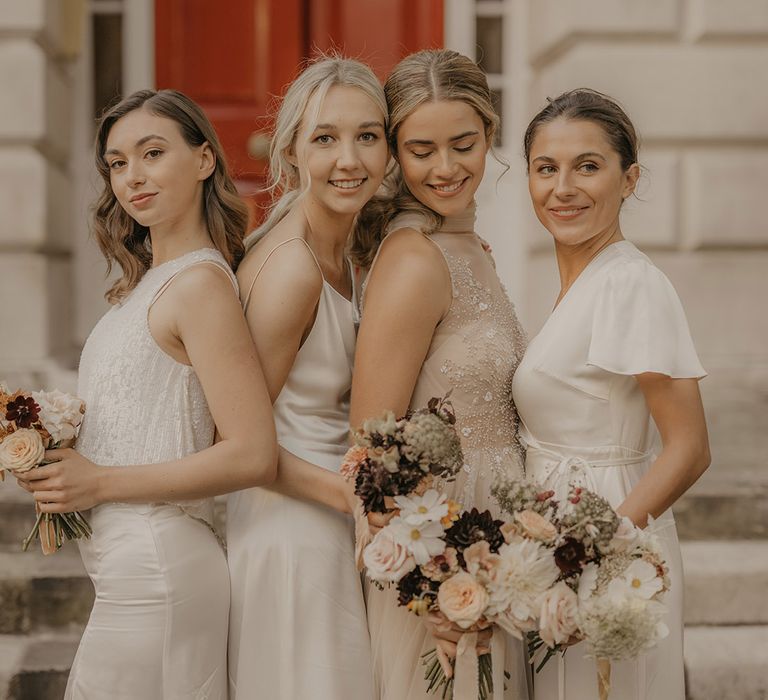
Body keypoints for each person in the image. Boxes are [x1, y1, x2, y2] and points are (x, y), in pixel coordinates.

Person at [17, 89, 277, 700]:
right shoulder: (139, 289)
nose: (133, 176)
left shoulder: (201, 287)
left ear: (205, 159)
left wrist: (99, 482)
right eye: (117, 163)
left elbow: (252, 453)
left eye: (153, 153)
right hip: (126, 565)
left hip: (160, 567)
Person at [512, 88, 710, 699]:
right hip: (554, 538)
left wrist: (589, 552)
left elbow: (689, 448)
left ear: (629, 180)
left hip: (607, 535)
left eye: (588, 167)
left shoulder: (630, 285)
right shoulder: (583, 283)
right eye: (547, 168)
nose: (563, 187)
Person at [349, 49, 530, 700]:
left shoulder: (468, 246)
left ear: (490, 133)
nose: (447, 167)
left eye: (464, 143)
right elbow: (372, 452)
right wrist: (433, 594)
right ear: (394, 152)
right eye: (422, 149)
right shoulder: (414, 260)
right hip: (443, 561)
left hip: (498, 546)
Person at [226, 56, 389, 700]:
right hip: (292, 529)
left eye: (367, 136)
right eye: (325, 138)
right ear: (291, 150)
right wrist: (349, 500)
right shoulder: (292, 270)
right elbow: (234, 438)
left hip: (323, 513)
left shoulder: (345, 241)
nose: (349, 159)